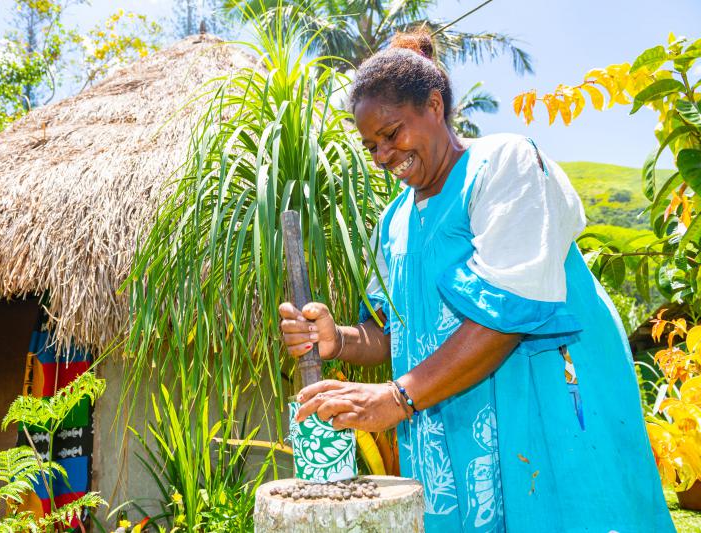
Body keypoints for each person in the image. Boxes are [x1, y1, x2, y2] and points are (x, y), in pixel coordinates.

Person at [278, 31, 674, 532]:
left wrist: (395, 398)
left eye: (392, 132)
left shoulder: (505, 166)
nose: (383, 155)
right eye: (371, 145)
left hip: (539, 414)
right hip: (447, 436)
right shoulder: (393, 223)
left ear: (435, 106)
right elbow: (388, 333)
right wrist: (339, 340)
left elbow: (506, 315)